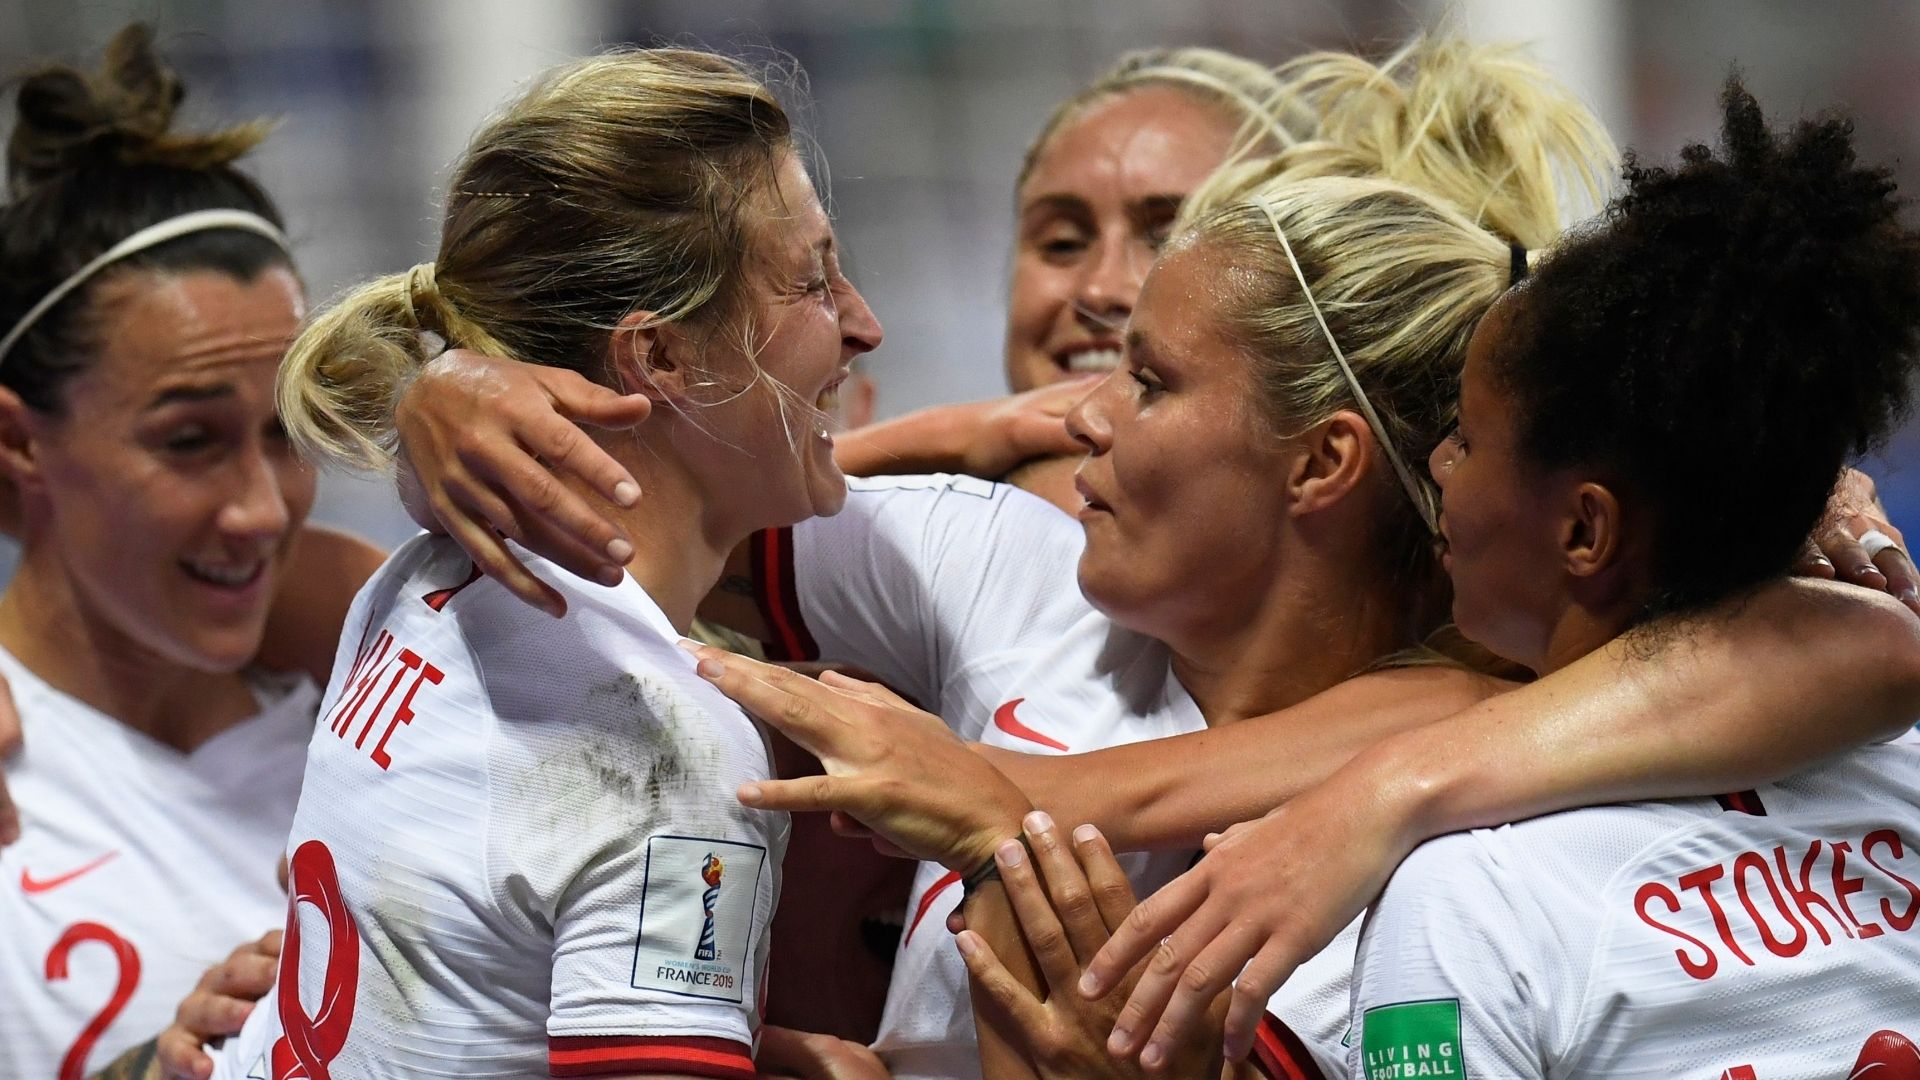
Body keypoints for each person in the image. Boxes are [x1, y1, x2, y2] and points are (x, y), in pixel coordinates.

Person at [390, 37, 1920, 1080]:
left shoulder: (1451, 841)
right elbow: (670, 472)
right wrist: (438, 384)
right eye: (1060, 238)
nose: (1086, 396)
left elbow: (1858, 646)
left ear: (1321, 459)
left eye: (1157, 379)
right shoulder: (1007, 573)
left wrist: (1022, 811)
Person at [199, 45, 890, 1080]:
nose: (863, 324)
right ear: (659, 359)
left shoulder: (419, 579)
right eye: (813, 280)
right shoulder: (667, 748)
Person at [1344, 81, 1920, 1077]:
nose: (1436, 466)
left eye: (1467, 440)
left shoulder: (1468, 895)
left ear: (1584, 529)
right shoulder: (1905, 765)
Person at [0, 25, 389, 1079]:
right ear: (19, 442)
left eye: (286, 434)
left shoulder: (393, 719)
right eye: (188, 442)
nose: (261, 512)